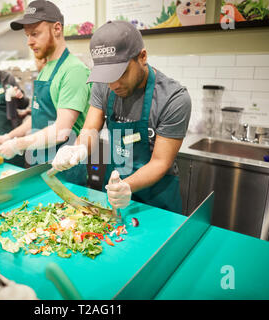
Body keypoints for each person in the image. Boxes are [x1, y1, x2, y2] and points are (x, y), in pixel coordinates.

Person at [52, 20, 191, 213]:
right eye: (107, 76)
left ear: (142, 57)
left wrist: (127, 186)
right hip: (113, 188)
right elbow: (90, 129)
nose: (113, 84)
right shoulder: (103, 85)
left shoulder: (173, 98)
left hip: (158, 200)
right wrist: (78, 149)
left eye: (121, 73)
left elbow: (161, 162)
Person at [0, 0, 91, 186]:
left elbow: (61, 131)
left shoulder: (74, 70)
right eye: (27, 35)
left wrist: (18, 145)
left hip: (64, 171)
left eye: (35, 34)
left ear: (57, 29)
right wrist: (8, 137)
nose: (29, 42)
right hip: (40, 164)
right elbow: (38, 118)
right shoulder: (47, 68)